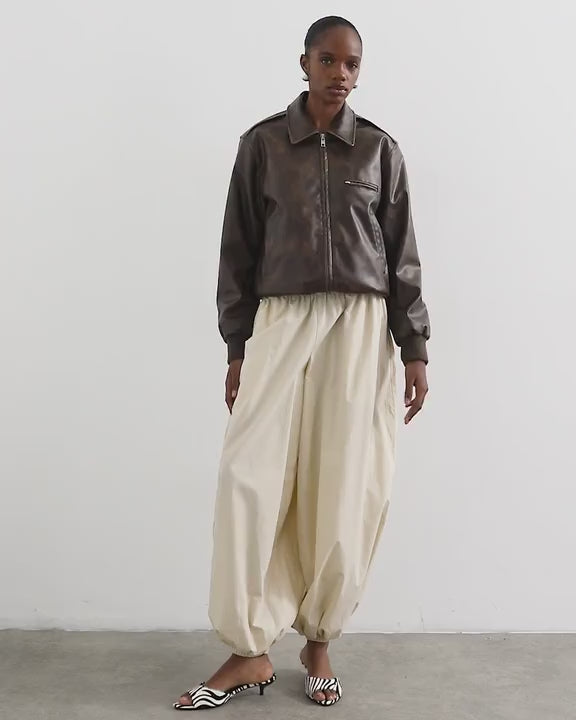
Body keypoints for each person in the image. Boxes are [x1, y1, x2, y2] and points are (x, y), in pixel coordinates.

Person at [173, 14, 430, 711]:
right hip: (281, 318)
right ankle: (249, 648)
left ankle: (319, 638)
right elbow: (237, 252)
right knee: (249, 474)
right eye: (328, 60)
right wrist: (237, 346)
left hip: (361, 324)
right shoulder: (262, 145)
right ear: (305, 62)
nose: (340, 74)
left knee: (344, 481)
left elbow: (402, 255)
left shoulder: (379, 150)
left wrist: (414, 346)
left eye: (352, 63)